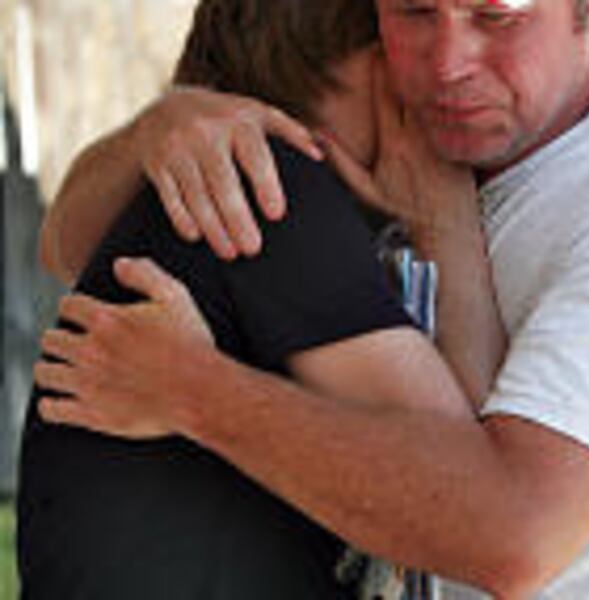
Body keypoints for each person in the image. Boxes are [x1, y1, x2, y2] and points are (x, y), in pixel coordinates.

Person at [34, 0, 589, 597]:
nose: (447, 64)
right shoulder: (397, 165)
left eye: (496, 18)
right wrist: (160, 130)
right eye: (415, 13)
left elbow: (510, 535)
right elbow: (64, 246)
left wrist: (192, 391)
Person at [19, 0, 504, 598]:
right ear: (376, 68)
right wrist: (446, 214)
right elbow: (468, 511)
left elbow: (59, 247)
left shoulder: (195, 187)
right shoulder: (267, 191)